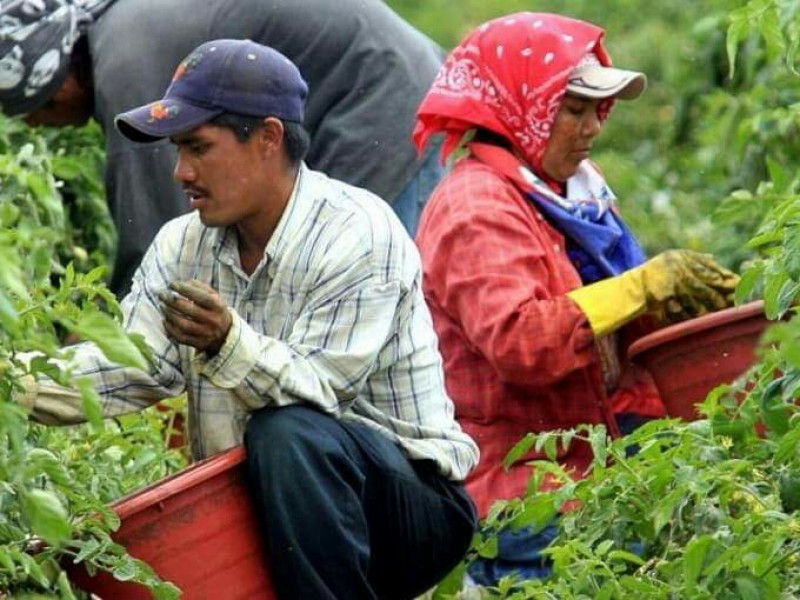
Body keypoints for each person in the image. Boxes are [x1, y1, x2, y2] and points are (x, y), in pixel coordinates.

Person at [16, 39, 478, 599]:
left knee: (286, 432)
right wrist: (14, 384)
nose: (182, 172)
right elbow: (134, 365)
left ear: (268, 138)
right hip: (267, 500)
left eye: (199, 148)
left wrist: (227, 342)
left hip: (407, 506)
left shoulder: (357, 233)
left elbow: (322, 396)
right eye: (178, 151)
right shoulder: (183, 245)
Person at [412, 12, 739, 587]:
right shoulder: (476, 206)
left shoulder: (567, 193)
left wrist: (688, 310)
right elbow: (522, 343)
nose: (592, 129)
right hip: (525, 491)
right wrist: (642, 287)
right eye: (574, 110)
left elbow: (600, 315)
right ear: (520, 106)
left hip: (594, 463)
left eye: (596, 111)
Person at [0, 0, 445, 297]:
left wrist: (106, 334)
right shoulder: (121, 28)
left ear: (56, 85)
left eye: (33, 112)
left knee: (343, 270)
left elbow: (153, 235)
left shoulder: (125, 65)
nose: (38, 125)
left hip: (386, 93)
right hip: (386, 70)